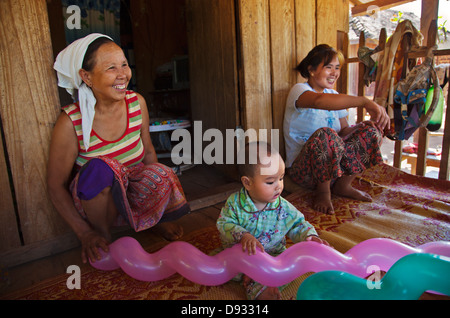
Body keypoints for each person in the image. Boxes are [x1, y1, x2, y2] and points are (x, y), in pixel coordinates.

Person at [47, 34, 190, 264]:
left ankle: (151, 221)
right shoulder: (71, 122)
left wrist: (159, 203)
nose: (123, 74)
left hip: (131, 192)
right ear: (87, 76)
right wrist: (84, 232)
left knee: (162, 172)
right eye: (111, 68)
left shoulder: (136, 103)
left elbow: (149, 153)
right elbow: (55, 186)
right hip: (98, 205)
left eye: (124, 64)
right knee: (102, 168)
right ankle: (102, 235)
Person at [283, 44, 390, 215]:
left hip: (334, 170)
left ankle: (343, 185)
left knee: (371, 131)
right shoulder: (300, 90)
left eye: (337, 68)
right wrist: (364, 101)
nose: (334, 73)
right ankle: (323, 192)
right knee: (325, 134)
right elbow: (318, 101)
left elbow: (344, 132)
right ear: (311, 70)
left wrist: (360, 128)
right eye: (329, 67)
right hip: (304, 172)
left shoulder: (334, 95)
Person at [216, 141, 329, 300]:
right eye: (270, 181)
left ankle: (262, 283)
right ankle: (253, 280)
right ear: (247, 183)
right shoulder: (235, 204)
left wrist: (309, 237)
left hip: (273, 255)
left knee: (288, 270)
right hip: (244, 256)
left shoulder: (283, 207)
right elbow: (224, 223)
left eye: (281, 178)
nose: (278, 186)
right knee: (227, 267)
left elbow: (297, 223)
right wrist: (243, 235)